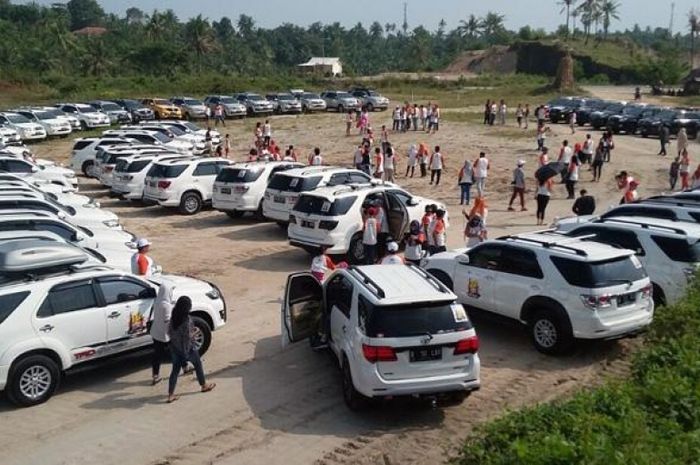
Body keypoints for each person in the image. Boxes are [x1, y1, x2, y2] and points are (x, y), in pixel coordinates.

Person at [167, 297, 216, 403]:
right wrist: (194, 333)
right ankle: (203, 385)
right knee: (198, 365)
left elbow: (170, 332)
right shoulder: (187, 320)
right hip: (188, 349)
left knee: (174, 372)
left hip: (175, 348)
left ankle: (170, 394)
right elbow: (187, 337)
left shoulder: (174, 316)